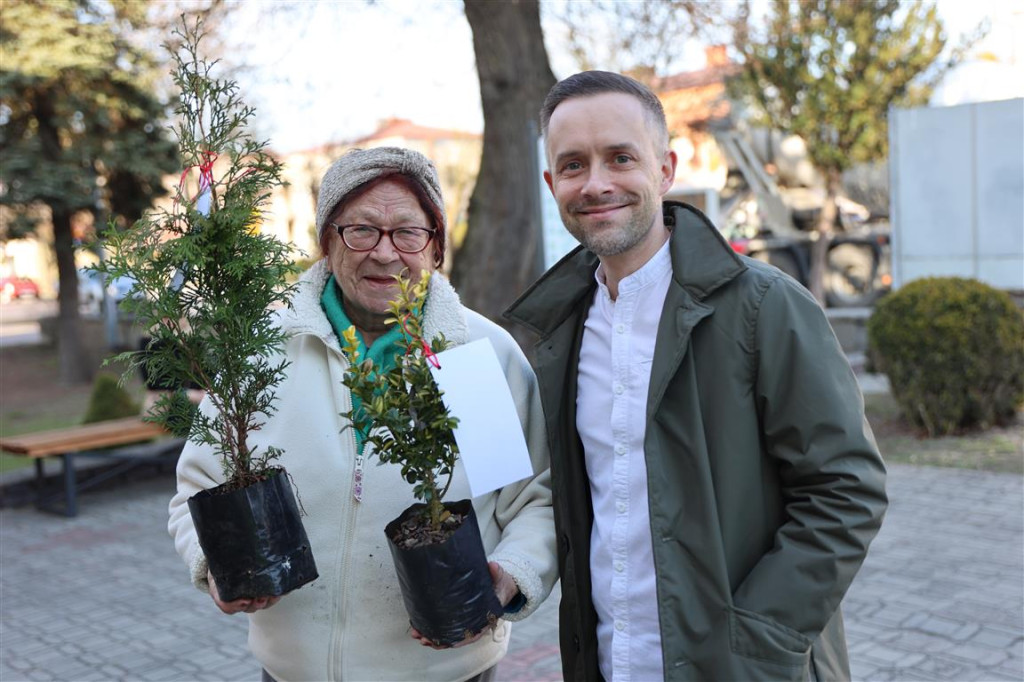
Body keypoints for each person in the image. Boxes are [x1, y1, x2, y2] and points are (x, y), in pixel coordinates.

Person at [505, 71, 888, 681]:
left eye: (620, 157)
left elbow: (847, 489)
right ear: (553, 184)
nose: (596, 183)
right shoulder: (558, 333)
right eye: (573, 165)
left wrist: (757, 641)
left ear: (664, 170)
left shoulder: (766, 307)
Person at [169, 146, 557, 682]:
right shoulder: (265, 349)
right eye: (361, 230)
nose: (384, 252)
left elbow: (532, 499)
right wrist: (214, 562)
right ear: (328, 242)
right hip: (292, 672)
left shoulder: (471, 357)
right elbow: (199, 486)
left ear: (436, 247)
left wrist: (510, 576)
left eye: (408, 232)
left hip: (444, 671)